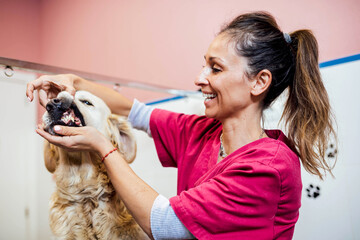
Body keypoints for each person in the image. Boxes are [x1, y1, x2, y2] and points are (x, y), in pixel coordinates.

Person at [26, 11, 336, 240]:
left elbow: (164, 224)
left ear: (259, 82)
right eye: (204, 64)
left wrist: (103, 147)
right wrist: (75, 83)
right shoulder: (201, 133)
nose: (200, 78)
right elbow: (135, 112)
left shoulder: (268, 167)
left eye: (215, 68)